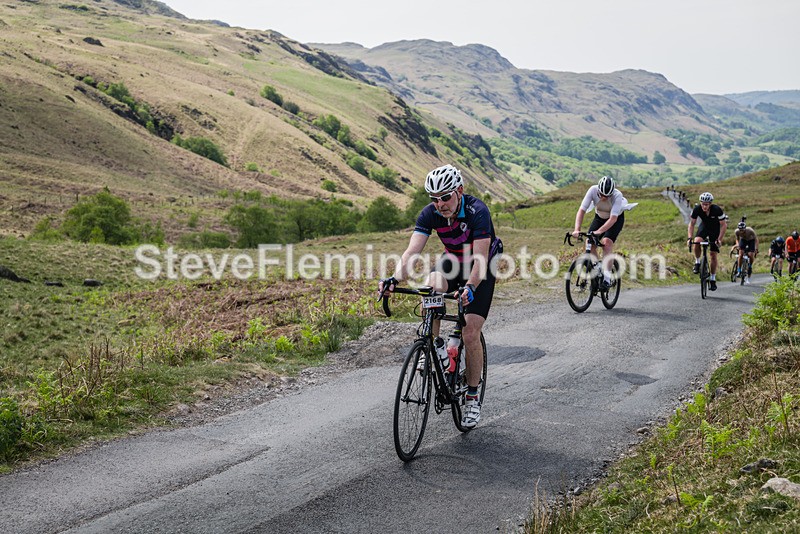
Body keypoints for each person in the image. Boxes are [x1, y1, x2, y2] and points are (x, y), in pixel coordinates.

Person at [379, 164, 501, 429]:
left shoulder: (477, 211)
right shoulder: (430, 214)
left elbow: (479, 260)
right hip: (453, 260)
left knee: (470, 333)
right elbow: (412, 251)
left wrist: (469, 287)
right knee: (430, 286)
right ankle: (433, 346)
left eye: (445, 197)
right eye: (434, 199)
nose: (440, 204)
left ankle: (471, 397)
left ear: (459, 191)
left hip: (482, 266)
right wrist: (394, 278)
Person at [571, 176, 636, 290]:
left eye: (607, 195)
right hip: (599, 217)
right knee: (589, 243)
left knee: (606, 243)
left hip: (615, 220)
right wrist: (577, 229)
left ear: (612, 193)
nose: (604, 197)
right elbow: (581, 210)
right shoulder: (592, 190)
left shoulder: (617, 195)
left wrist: (598, 232)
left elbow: (613, 219)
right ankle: (597, 268)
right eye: (601, 195)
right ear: (598, 191)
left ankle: (607, 278)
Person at [688, 192, 728, 291]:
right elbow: (692, 224)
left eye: (707, 204)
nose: (704, 206)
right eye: (703, 204)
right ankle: (697, 263)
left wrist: (719, 239)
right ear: (700, 203)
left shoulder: (717, 210)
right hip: (704, 227)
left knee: (713, 255)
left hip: (715, 229)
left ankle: (713, 279)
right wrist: (689, 238)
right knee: (697, 242)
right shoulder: (697, 209)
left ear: (710, 204)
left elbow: (723, 225)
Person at [733, 217, 758, 285]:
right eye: (740, 230)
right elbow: (737, 239)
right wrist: (737, 245)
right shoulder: (737, 231)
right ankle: (739, 270)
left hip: (751, 241)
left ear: (745, 228)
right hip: (743, 240)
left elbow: (756, 239)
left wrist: (756, 248)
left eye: (743, 230)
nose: (741, 231)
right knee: (740, 254)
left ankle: (750, 266)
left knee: (750, 255)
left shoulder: (750, 230)